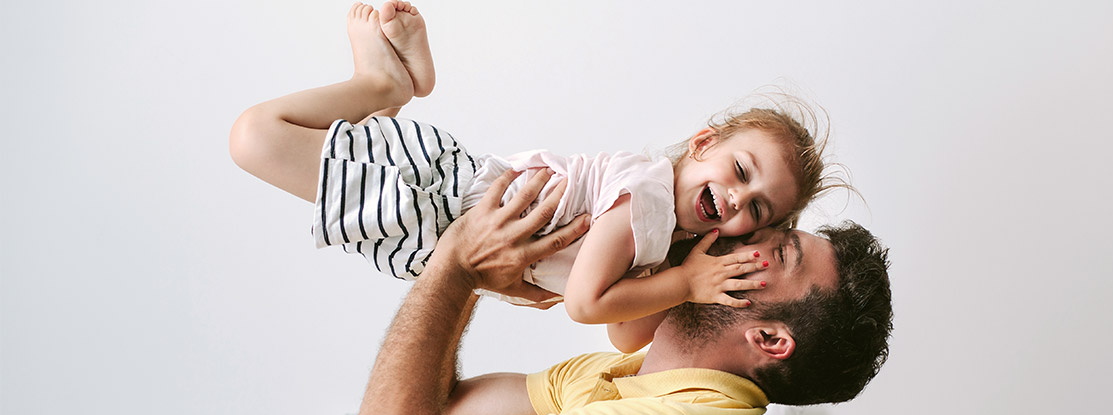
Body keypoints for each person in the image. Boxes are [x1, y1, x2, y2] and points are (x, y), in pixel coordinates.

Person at [228, 1, 844, 353]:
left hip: (445, 219)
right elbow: (584, 304)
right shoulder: (649, 202)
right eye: (740, 172)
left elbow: (625, 337)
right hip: (447, 203)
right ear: (704, 143)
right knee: (256, 137)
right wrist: (685, 284)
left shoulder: (659, 239)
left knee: (341, 156)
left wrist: (683, 273)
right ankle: (380, 85)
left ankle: (389, 93)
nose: (736, 198)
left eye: (757, 210)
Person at [340, 166, 894, 415]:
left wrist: (457, 265)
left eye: (776, 251)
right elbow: (445, 413)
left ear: (770, 341)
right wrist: (477, 273)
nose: (741, 227)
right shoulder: (626, 379)